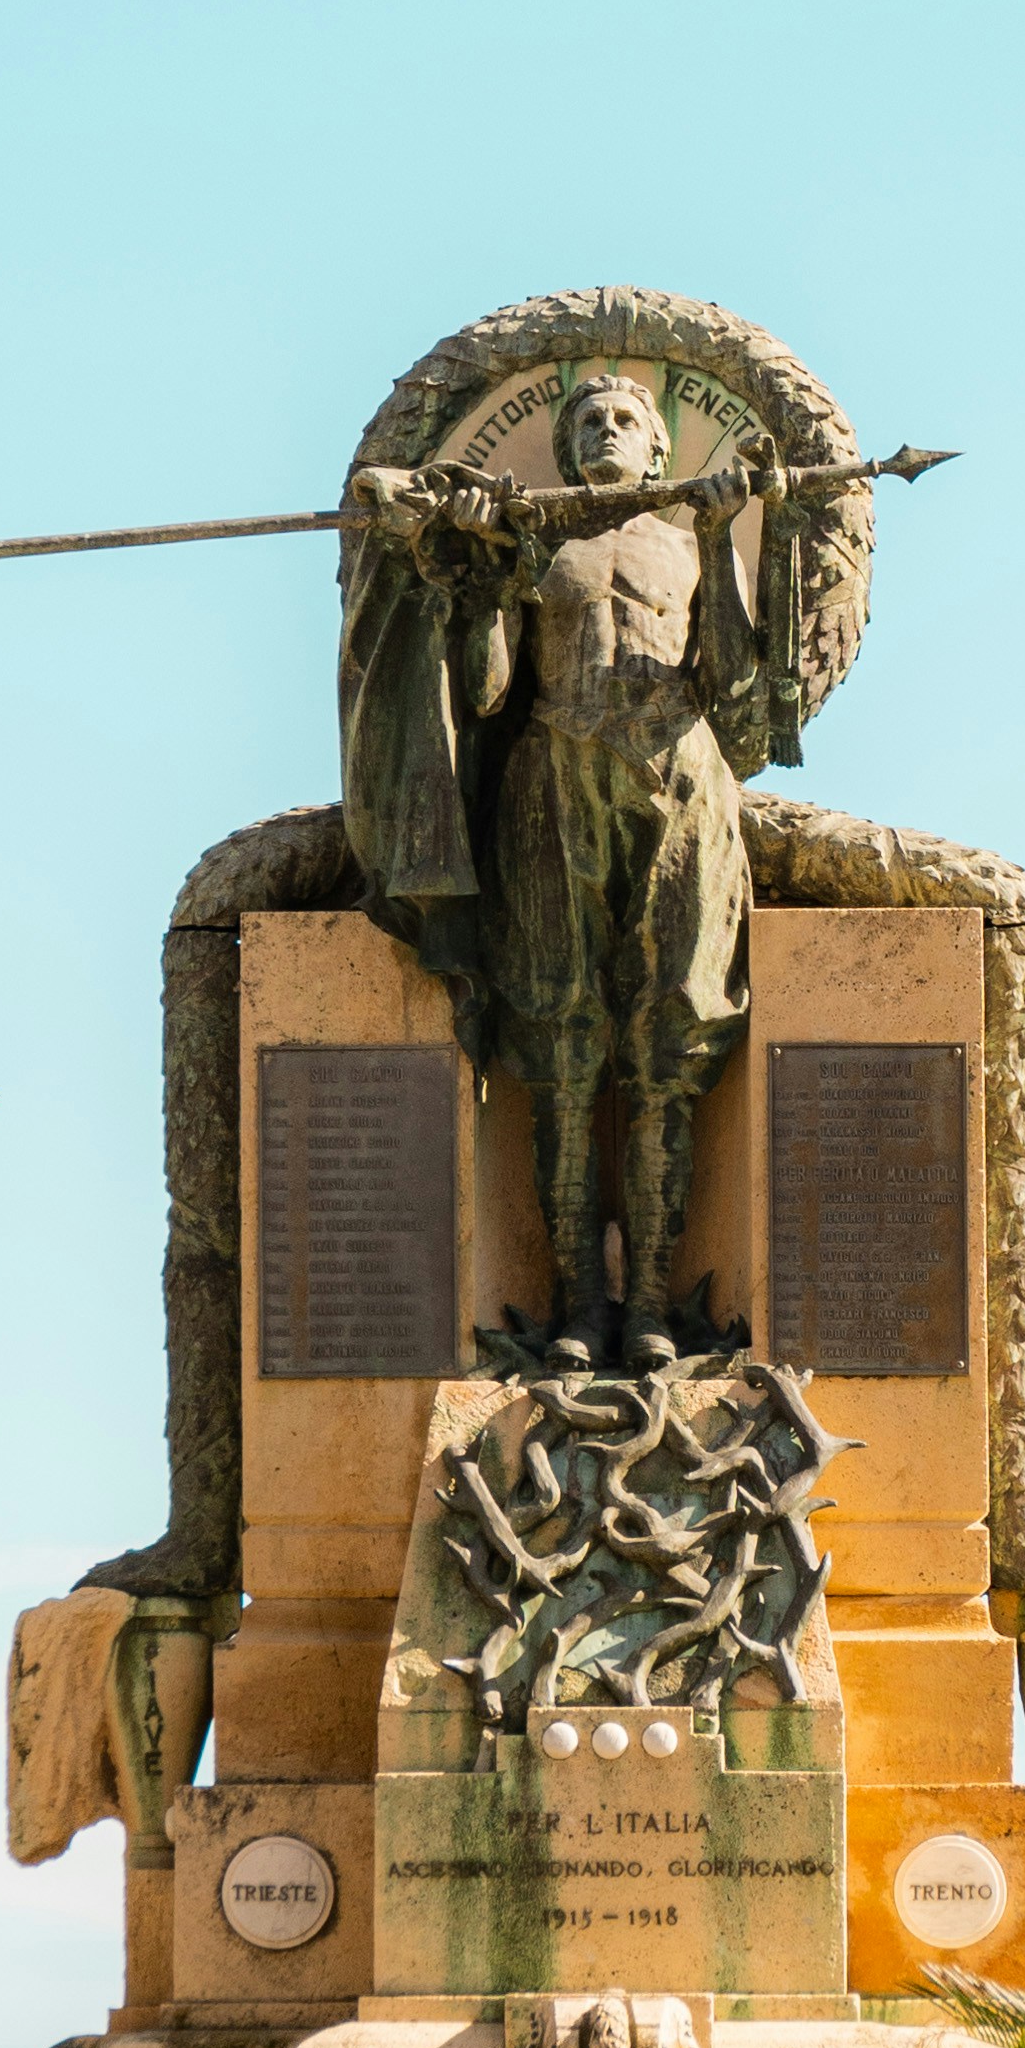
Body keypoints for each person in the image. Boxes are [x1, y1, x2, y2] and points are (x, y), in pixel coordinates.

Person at [337, 369, 787, 1352]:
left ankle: (653, 1305)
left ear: (658, 446)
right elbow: (491, 693)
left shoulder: (686, 538)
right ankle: (581, 1301)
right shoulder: (534, 542)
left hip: (677, 788)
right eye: (585, 421)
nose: (604, 432)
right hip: (554, 785)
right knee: (564, 1053)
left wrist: (719, 535)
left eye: (624, 420)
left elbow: (736, 692)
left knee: (670, 1052)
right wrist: (481, 572)